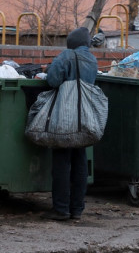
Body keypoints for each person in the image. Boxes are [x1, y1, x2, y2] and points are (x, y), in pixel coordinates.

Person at [40, 27, 98, 221]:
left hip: (66, 115)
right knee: (80, 161)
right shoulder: (92, 59)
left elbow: (53, 80)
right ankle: (77, 210)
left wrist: (48, 70)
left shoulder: (67, 56)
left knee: (62, 162)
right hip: (85, 116)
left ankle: (61, 209)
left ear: (71, 43)